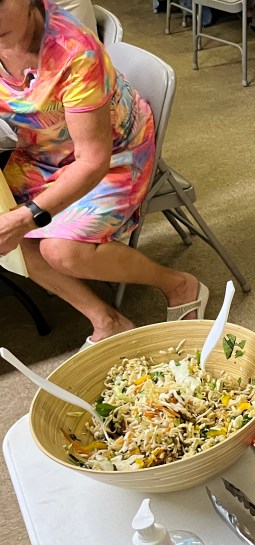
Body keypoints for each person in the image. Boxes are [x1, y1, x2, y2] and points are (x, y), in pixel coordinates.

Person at [0, 0, 207, 346]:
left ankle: (179, 284)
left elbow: (92, 161)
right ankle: (107, 320)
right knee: (11, 234)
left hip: (113, 153)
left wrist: (25, 218)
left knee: (61, 250)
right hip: (41, 148)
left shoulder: (73, 51)